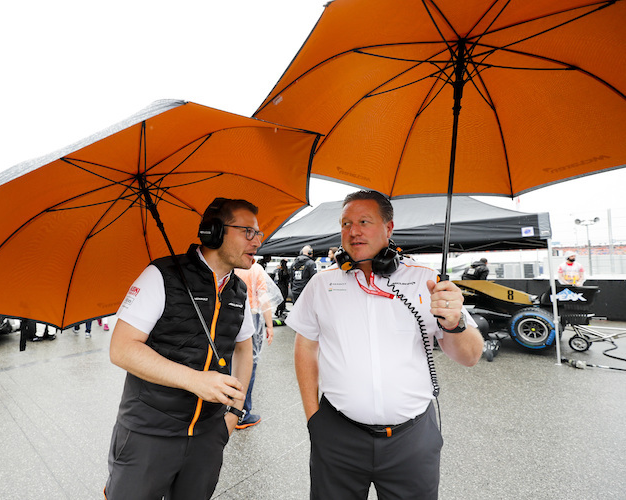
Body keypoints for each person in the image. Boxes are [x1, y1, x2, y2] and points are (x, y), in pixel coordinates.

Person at [288, 190, 484, 500]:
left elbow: (471, 356)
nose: (353, 231)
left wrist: (454, 321)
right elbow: (304, 346)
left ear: (388, 228)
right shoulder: (322, 283)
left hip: (412, 439)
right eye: (346, 223)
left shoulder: (427, 281)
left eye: (364, 221)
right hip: (337, 436)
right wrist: (314, 418)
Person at [104, 198, 257, 500]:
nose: (257, 241)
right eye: (248, 232)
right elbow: (121, 349)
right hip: (148, 432)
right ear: (214, 232)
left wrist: (232, 414)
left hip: (208, 436)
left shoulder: (239, 289)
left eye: (259, 234)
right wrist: (195, 380)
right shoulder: (161, 275)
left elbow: (244, 350)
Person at [234, 261, 281, 429]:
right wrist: (269, 325)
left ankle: (225, 407)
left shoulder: (231, 266)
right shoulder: (255, 269)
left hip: (230, 315)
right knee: (248, 364)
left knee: (229, 360)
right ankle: (242, 412)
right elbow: (263, 298)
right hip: (251, 317)